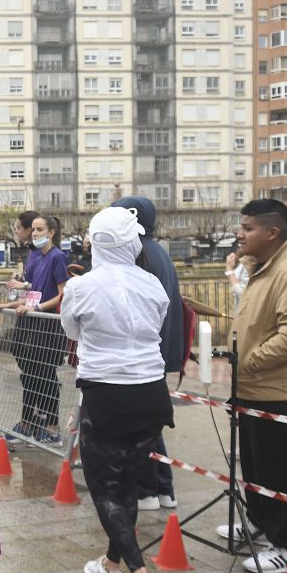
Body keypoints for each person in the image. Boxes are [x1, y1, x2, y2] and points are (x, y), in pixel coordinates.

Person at [62, 206, 174, 573]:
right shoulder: (152, 284)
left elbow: (72, 332)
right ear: (134, 242)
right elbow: (158, 326)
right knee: (128, 480)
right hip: (150, 392)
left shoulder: (82, 286)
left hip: (106, 393)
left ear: (94, 242)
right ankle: (110, 565)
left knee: (105, 489)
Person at [219, 199, 287, 573]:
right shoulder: (259, 266)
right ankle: (260, 522)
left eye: (248, 228)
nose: (240, 233)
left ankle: (285, 544)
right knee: (254, 464)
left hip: (276, 391)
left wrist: (248, 361)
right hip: (250, 386)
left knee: (277, 469)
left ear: (273, 232)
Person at [110, 197, 180, 512]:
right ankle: (164, 488)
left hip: (141, 354)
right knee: (149, 423)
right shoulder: (159, 253)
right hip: (158, 352)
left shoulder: (139, 255)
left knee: (139, 426)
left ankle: (147, 489)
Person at [0, 215, 69, 445]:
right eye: (33, 230)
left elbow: (63, 294)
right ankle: (28, 423)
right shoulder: (37, 258)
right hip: (32, 325)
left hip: (48, 327)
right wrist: (9, 305)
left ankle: (52, 428)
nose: (34, 233)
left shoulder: (57, 257)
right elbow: (32, 294)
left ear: (51, 232)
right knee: (30, 377)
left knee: (45, 377)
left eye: (39, 229)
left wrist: (38, 307)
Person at [5, 210, 39, 293]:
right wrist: (20, 278)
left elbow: (46, 286)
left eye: (18, 228)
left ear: (29, 230)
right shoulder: (32, 251)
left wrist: (24, 285)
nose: (16, 232)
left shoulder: (47, 254)